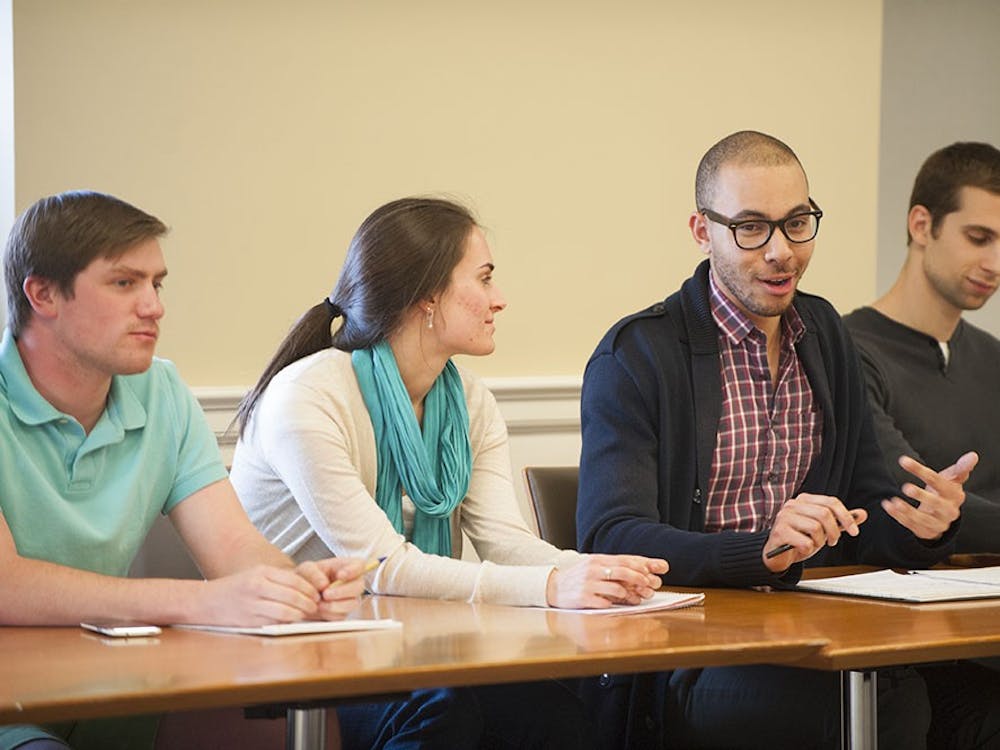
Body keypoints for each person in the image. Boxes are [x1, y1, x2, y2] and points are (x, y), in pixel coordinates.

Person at [576, 131, 1000, 749]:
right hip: (689, 652)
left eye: (797, 223)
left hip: (822, 629)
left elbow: (867, 510)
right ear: (703, 231)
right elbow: (609, 536)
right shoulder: (638, 354)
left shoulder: (823, 332)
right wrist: (761, 550)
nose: (782, 252)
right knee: (887, 704)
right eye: (751, 228)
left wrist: (924, 524)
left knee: (972, 705)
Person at [230, 196, 668, 749]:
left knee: (562, 708)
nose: (499, 299)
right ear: (427, 297)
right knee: (446, 709)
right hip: (293, 646)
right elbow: (381, 567)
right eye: (484, 280)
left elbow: (502, 541)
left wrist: (593, 573)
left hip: (409, 643)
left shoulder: (469, 400)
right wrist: (555, 585)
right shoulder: (308, 395)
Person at [0, 191, 399, 750]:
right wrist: (199, 601)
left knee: (308, 732)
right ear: (42, 293)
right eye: (124, 283)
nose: (153, 306)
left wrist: (293, 585)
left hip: (123, 696)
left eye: (156, 284)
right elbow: (6, 584)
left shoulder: (162, 391)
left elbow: (234, 548)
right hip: (11, 707)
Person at [844, 141, 1000, 554]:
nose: (995, 263)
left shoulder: (993, 359)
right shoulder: (849, 352)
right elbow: (914, 497)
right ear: (921, 225)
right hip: (899, 606)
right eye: (979, 238)